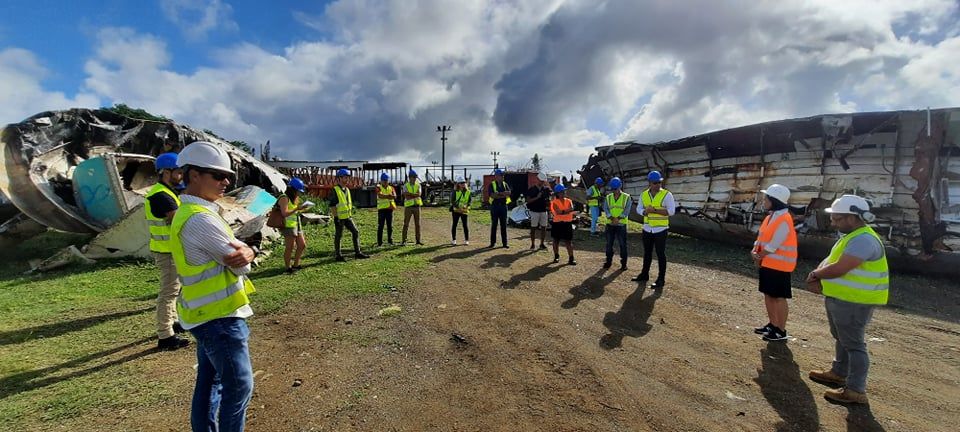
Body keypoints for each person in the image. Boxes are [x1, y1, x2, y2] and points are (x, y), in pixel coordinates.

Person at [171, 141, 258, 431]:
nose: (225, 182)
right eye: (217, 175)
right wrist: (249, 252)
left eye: (228, 177)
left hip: (205, 313)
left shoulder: (200, 213)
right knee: (239, 387)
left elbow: (239, 254)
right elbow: (241, 263)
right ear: (193, 175)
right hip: (219, 318)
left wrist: (247, 250)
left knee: (210, 383)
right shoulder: (200, 220)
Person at [806, 195, 889, 405]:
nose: (833, 223)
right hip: (843, 298)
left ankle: (856, 390)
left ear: (853, 218)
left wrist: (816, 275)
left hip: (855, 302)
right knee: (842, 337)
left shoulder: (863, 239)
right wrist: (817, 274)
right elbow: (832, 261)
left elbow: (841, 267)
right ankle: (839, 372)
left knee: (854, 344)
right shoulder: (851, 236)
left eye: (838, 219)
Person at [145, 152, 190, 351]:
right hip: (167, 251)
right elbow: (178, 220)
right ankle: (165, 336)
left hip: (170, 250)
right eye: (178, 172)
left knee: (176, 290)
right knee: (169, 293)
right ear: (166, 172)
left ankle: (174, 322)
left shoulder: (167, 192)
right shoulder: (161, 196)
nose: (181, 176)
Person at [750, 184, 797, 341]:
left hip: (779, 266)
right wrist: (755, 250)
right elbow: (762, 238)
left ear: (774, 200)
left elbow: (774, 244)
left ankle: (780, 330)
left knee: (778, 297)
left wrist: (760, 255)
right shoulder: (771, 217)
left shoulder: (784, 219)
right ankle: (772, 324)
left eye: (766, 199)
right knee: (769, 294)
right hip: (768, 264)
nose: (764, 201)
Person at [631, 170, 676, 289]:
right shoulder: (644, 195)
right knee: (647, 253)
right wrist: (644, 212)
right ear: (650, 183)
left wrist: (654, 211)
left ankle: (661, 279)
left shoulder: (667, 195)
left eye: (659, 182)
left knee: (661, 254)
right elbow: (639, 208)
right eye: (655, 183)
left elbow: (671, 211)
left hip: (660, 230)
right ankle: (644, 274)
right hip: (647, 228)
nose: (658, 185)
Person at [328, 168, 370, 261]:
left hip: (347, 217)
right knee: (339, 236)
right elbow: (332, 205)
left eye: (347, 177)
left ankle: (358, 253)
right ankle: (338, 255)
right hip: (339, 218)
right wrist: (336, 217)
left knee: (355, 232)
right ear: (339, 178)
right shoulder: (335, 190)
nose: (347, 179)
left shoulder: (347, 189)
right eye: (345, 177)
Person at [276, 178, 309, 274]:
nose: (299, 193)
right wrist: (296, 209)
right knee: (290, 247)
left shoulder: (295, 198)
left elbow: (295, 210)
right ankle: (288, 267)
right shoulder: (284, 198)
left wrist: (302, 209)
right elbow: (284, 213)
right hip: (288, 225)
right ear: (293, 189)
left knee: (302, 245)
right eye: (298, 191)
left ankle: (296, 264)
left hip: (296, 224)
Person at [602, 177, 632, 270]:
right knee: (609, 244)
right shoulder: (608, 197)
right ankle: (608, 261)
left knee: (622, 244)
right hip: (610, 224)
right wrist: (611, 217)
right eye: (613, 189)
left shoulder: (626, 197)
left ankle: (624, 264)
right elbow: (606, 208)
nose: (614, 191)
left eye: (616, 189)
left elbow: (627, 210)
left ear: (620, 187)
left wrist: (618, 218)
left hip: (621, 224)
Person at [550, 184, 576, 265]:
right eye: (562, 191)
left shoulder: (569, 200)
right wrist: (567, 211)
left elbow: (571, 208)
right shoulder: (554, 202)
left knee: (568, 241)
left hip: (567, 223)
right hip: (557, 224)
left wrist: (563, 212)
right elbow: (558, 212)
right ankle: (556, 256)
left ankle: (571, 258)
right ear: (558, 193)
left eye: (564, 191)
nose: (564, 192)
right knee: (556, 241)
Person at [526, 173, 552, 250]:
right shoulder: (531, 189)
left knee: (544, 228)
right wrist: (537, 197)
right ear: (537, 180)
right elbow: (528, 201)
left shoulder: (546, 189)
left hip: (543, 211)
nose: (542, 182)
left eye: (543, 181)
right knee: (533, 228)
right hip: (534, 211)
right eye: (541, 181)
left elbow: (550, 196)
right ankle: (533, 244)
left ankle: (542, 243)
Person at [488, 169, 512, 248]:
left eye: (503, 175)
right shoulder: (492, 184)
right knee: (494, 225)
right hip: (495, 207)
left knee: (503, 225)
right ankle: (492, 243)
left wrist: (499, 194)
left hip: (503, 206)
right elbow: (492, 195)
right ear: (496, 176)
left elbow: (509, 193)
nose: (503, 176)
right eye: (501, 175)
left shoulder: (505, 184)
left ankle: (504, 243)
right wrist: (503, 194)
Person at [402, 169, 424, 245]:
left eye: (415, 177)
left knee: (418, 224)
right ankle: (404, 240)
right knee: (406, 224)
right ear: (410, 177)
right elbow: (406, 195)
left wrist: (410, 194)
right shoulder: (405, 185)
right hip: (408, 207)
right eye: (413, 177)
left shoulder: (418, 185)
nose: (415, 178)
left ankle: (418, 240)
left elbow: (419, 194)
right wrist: (414, 194)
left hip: (417, 206)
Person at [376, 173, 397, 246]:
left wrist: (387, 196)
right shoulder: (378, 187)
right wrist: (388, 196)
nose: (385, 182)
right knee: (380, 226)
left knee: (390, 226)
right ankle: (379, 243)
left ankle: (390, 241)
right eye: (384, 180)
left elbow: (394, 196)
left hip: (389, 209)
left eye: (386, 180)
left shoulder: (391, 188)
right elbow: (380, 195)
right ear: (381, 181)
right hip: (381, 209)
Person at [450, 177, 471, 245]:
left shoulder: (468, 191)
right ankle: (454, 239)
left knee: (465, 225)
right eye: (461, 183)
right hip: (456, 210)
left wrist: (467, 206)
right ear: (458, 184)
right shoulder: (455, 191)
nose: (463, 184)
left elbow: (469, 201)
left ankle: (466, 240)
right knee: (455, 224)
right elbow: (452, 201)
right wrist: (458, 208)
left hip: (464, 210)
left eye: (464, 182)